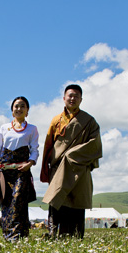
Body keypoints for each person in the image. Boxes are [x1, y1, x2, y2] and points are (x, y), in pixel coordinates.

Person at [40, 84, 102, 238]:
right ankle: (54, 235)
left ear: (81, 99)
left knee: (76, 203)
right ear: (64, 98)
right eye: (70, 95)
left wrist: (72, 155)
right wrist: (45, 168)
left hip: (79, 168)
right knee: (57, 201)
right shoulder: (56, 120)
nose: (73, 98)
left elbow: (95, 145)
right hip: (58, 168)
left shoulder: (89, 121)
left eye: (76, 96)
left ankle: (74, 236)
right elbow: (48, 145)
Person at [0, 96, 39, 240]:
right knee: (6, 203)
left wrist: (30, 163)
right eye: (16, 106)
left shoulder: (32, 129)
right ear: (12, 111)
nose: (19, 109)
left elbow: (34, 150)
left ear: (27, 111)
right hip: (4, 171)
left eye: (22, 106)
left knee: (18, 200)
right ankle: (8, 236)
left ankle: (18, 235)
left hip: (21, 171)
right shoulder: (4, 128)